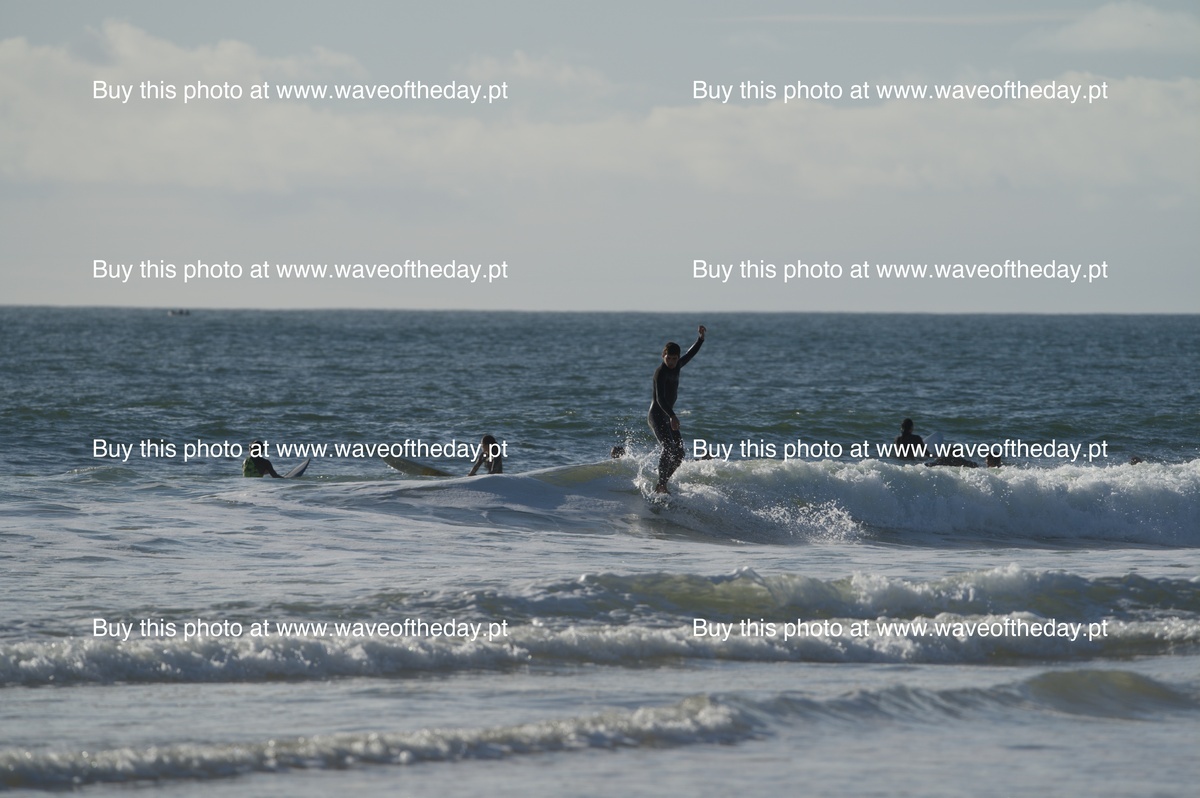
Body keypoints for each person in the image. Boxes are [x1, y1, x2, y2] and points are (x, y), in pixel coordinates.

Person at [648, 324, 706, 493]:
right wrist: (672, 416)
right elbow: (660, 398)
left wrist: (700, 339)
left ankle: (663, 482)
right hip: (657, 415)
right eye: (669, 358)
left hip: (668, 416)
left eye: (674, 359)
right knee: (667, 448)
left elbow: (690, 354)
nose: (672, 362)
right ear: (663, 356)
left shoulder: (678, 365)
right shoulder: (661, 373)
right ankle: (661, 484)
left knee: (680, 453)